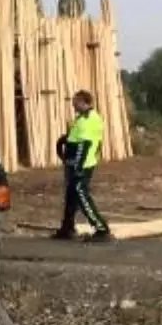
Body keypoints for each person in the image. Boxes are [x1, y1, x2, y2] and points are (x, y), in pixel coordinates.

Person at [53, 89, 112, 242]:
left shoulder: (88, 120)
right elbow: (76, 139)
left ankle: (101, 229)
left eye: (75, 101)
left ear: (83, 102)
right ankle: (67, 228)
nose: (72, 104)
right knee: (71, 196)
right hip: (76, 163)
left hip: (83, 165)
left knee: (81, 195)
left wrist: (78, 168)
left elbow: (84, 145)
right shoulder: (82, 118)